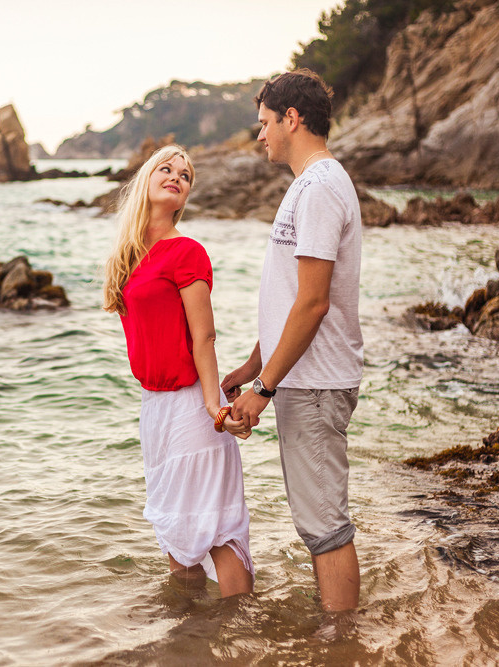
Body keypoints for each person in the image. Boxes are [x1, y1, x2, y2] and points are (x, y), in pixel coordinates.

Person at [221, 69, 363, 612]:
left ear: (292, 119)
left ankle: (341, 641)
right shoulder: (308, 184)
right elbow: (290, 299)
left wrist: (264, 387)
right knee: (317, 522)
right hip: (302, 379)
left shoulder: (321, 186)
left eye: (265, 123)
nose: (260, 134)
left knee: (325, 527)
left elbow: (313, 302)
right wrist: (251, 366)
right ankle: (336, 633)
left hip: (316, 383)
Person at [103, 144, 254, 598]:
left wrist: (212, 405)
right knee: (174, 527)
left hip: (192, 404)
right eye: (166, 169)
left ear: (185, 196)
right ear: (146, 180)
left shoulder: (187, 252)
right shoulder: (127, 258)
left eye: (185, 175)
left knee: (216, 528)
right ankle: (190, 631)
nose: (176, 177)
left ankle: (242, 626)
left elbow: (203, 337)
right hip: (155, 409)